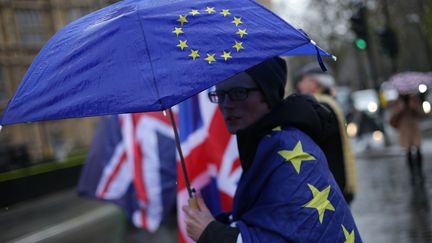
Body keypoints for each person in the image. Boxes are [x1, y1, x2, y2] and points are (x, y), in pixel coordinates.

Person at [182, 57, 362, 242]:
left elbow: (290, 236)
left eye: (238, 92)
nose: (226, 104)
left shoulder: (288, 148)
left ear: (267, 93)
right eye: (220, 95)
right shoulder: (265, 143)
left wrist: (211, 233)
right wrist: (218, 224)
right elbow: (270, 220)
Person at [295, 63, 357, 204]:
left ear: (315, 83)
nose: (299, 84)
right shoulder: (329, 103)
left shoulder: (319, 107)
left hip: (331, 183)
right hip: (339, 179)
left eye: (304, 80)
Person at [389, 94, 424, 185]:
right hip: (404, 130)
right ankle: (412, 174)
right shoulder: (397, 102)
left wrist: (414, 107)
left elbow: (422, 113)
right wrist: (400, 110)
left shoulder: (413, 99)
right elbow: (392, 119)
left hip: (414, 128)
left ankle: (420, 172)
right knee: (408, 152)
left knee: (418, 151)